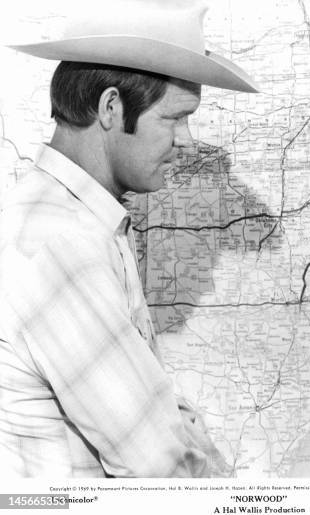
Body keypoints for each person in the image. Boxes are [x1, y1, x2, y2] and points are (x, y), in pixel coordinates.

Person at [0, 1, 258, 477]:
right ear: (112, 107)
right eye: (174, 118)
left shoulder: (79, 222)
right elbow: (159, 465)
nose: (187, 140)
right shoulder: (61, 245)